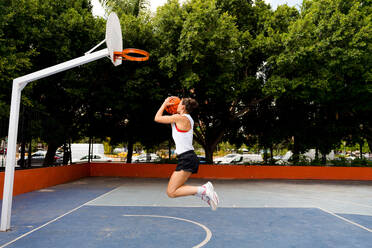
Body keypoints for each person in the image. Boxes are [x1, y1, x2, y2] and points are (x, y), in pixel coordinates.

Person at [154, 97, 219, 210]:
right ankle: (203, 193)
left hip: (187, 158)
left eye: (179, 103)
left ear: (183, 107)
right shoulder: (185, 118)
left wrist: (165, 104)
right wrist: (172, 108)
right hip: (187, 158)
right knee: (175, 189)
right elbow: (170, 119)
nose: (177, 105)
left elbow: (157, 118)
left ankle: (204, 190)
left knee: (171, 192)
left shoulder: (180, 118)